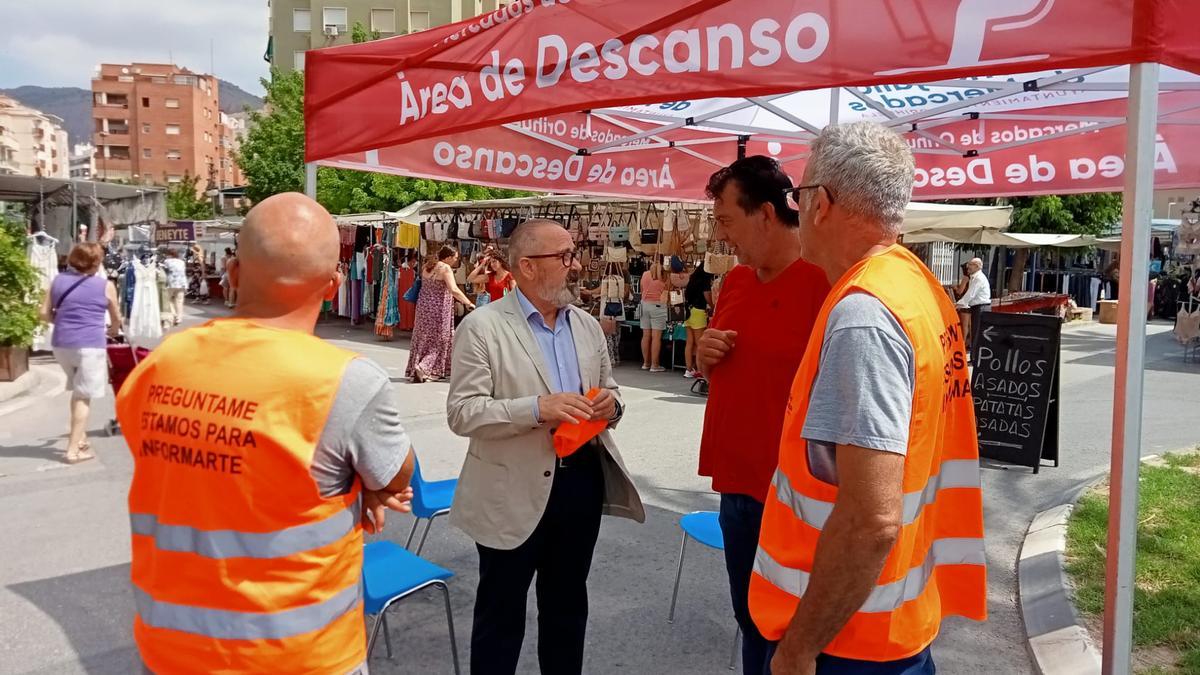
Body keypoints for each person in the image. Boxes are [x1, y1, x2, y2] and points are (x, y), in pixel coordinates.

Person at [114, 193, 417, 674]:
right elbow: (398, 475)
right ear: (334, 285)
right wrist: (365, 486)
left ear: (233, 273)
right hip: (300, 659)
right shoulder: (343, 380)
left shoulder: (163, 363)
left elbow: (183, 468)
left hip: (171, 653)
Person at [749, 122, 986, 675]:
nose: (796, 208)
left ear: (822, 204)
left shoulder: (864, 315)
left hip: (846, 640)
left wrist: (799, 648)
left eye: (798, 195)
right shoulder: (915, 285)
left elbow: (870, 520)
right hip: (886, 623)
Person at [446, 220, 645, 675]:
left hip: (579, 485)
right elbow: (463, 413)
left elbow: (609, 391)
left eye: (573, 254)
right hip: (509, 491)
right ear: (528, 267)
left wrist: (611, 406)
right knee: (500, 617)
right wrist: (538, 408)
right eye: (566, 256)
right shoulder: (483, 327)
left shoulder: (588, 327)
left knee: (567, 610)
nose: (576, 265)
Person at [695, 155, 832, 674]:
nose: (721, 234)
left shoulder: (826, 283)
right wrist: (704, 351)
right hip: (738, 487)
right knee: (752, 621)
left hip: (798, 498)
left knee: (795, 636)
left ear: (767, 214)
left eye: (726, 219)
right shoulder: (735, 283)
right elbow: (721, 365)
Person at [39, 243, 121, 464]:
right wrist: (113, 331)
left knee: (77, 391)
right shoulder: (106, 286)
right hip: (89, 345)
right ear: (96, 262)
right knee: (83, 397)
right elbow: (116, 319)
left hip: (61, 344)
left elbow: (43, 313)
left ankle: (81, 437)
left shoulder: (57, 281)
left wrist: (62, 322)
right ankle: (73, 450)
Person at [406, 245, 474, 383]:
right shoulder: (445, 268)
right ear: (448, 257)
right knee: (439, 339)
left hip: (423, 306)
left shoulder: (428, 266)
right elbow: (454, 289)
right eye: (455, 258)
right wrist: (468, 303)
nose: (456, 260)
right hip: (438, 308)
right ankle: (424, 367)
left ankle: (418, 367)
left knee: (422, 337)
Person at [682, 260, 714, 379]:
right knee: (700, 342)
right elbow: (707, 296)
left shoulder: (693, 278)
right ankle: (700, 369)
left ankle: (688, 369)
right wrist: (713, 306)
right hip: (698, 312)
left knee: (689, 343)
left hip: (688, 312)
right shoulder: (705, 280)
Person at [954, 257, 992, 352]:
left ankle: (975, 357)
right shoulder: (974, 277)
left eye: (970, 265)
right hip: (976, 307)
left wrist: (957, 305)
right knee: (975, 331)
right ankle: (974, 355)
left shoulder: (978, 278)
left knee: (977, 332)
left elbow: (970, 294)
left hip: (981, 307)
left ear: (977, 266)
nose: (968, 267)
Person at [639, 258, 669, 372]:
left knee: (645, 335)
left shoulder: (645, 274)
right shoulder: (664, 276)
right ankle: (654, 365)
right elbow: (667, 291)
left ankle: (646, 363)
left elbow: (642, 289)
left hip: (644, 304)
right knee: (656, 337)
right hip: (658, 306)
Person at [162, 248, 187, 326]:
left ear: (169, 254)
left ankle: (173, 314)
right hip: (182, 283)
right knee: (179, 301)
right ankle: (179, 319)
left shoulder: (167, 261)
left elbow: (164, 271)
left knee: (168, 300)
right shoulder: (182, 262)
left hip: (171, 283)